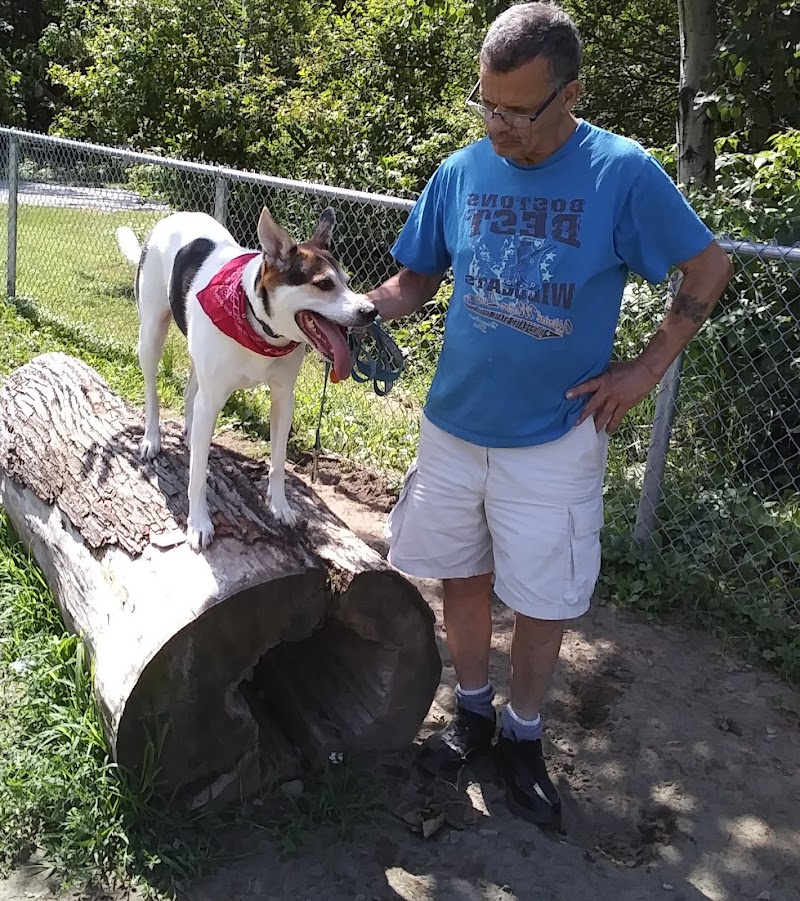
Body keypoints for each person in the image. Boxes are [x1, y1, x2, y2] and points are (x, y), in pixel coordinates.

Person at [365, 1, 733, 830]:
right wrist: (354, 310)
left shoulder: (620, 172)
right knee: (462, 576)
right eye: (485, 104)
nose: (497, 125)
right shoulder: (462, 171)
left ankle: (523, 739)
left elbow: (708, 266)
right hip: (455, 425)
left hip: (555, 440)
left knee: (541, 599)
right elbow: (415, 280)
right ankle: (472, 711)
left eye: (516, 111)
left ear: (568, 93)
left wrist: (643, 368)